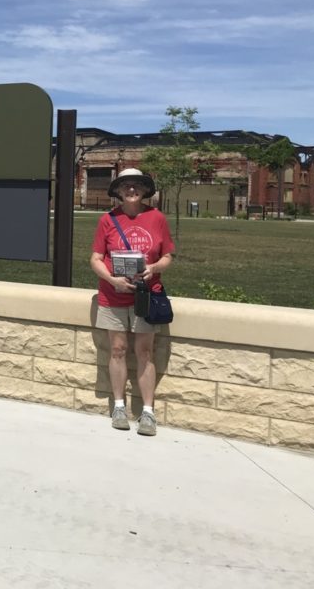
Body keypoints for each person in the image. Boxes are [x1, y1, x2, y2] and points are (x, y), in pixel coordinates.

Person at [89, 168, 175, 436]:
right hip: (113, 295)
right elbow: (94, 258)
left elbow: (168, 256)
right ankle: (118, 407)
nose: (131, 190)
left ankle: (147, 412)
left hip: (145, 295)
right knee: (117, 348)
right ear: (118, 191)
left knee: (145, 352)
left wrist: (154, 267)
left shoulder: (156, 218)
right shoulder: (107, 220)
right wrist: (113, 280)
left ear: (144, 190)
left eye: (136, 185)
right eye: (125, 186)